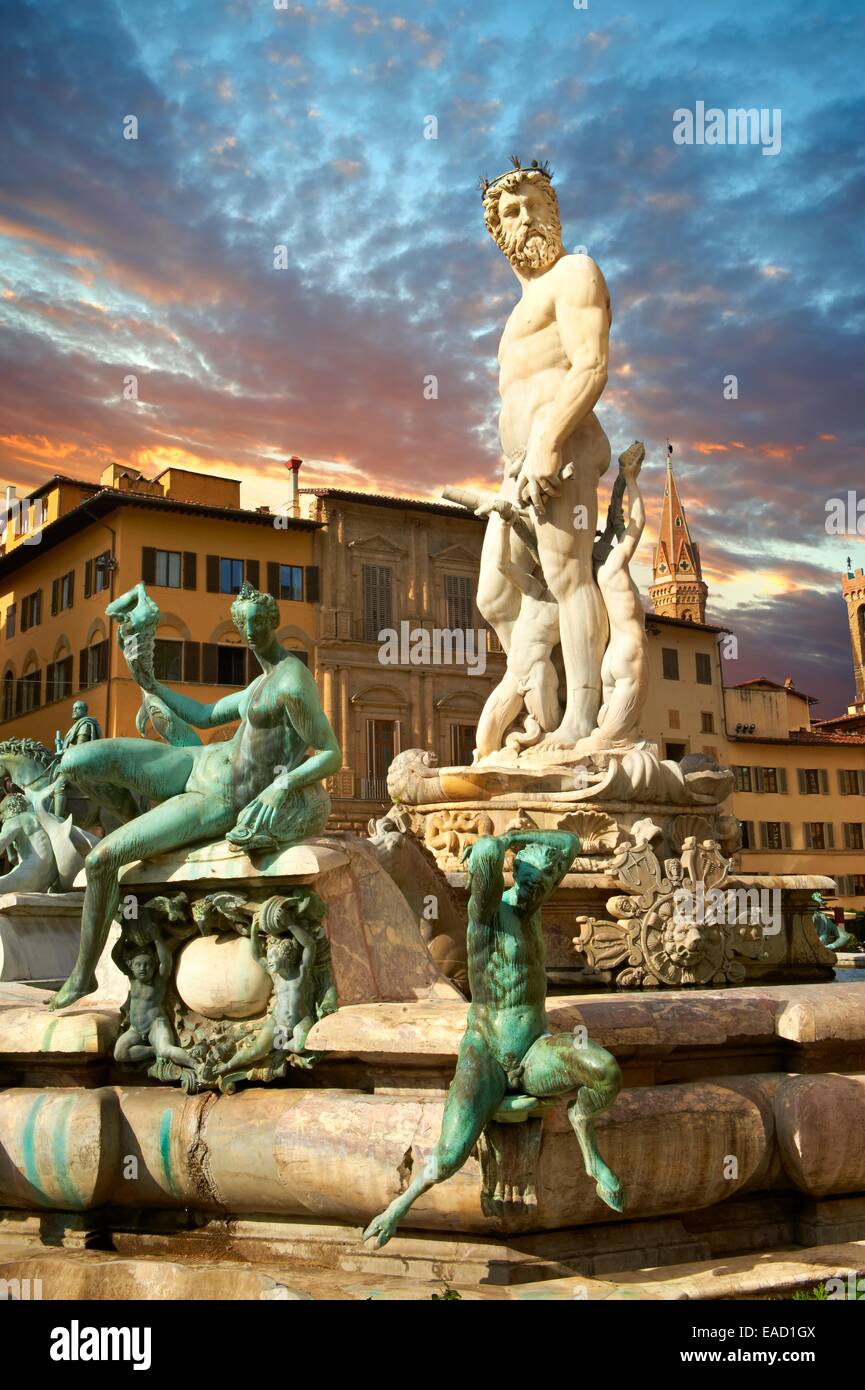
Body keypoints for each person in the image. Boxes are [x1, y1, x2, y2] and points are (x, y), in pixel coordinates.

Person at [48, 581, 341, 1011]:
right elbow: (204, 715)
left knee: (100, 860)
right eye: (246, 624)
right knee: (75, 761)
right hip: (197, 761)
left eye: (260, 623)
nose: (252, 632)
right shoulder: (263, 681)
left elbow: (331, 753)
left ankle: (82, 976)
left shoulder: (293, 682)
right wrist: (152, 683)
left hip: (221, 798)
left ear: (275, 623)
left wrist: (281, 785)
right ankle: (133, 823)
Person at [363, 828, 623, 1249]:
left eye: (540, 887)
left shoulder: (533, 909)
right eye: (525, 882)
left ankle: (584, 1131)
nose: (530, 893)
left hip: (536, 1048)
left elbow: (571, 843)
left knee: (605, 1071)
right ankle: (397, 1209)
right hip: (485, 1049)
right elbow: (483, 852)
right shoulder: (486, 915)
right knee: (450, 1155)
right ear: (514, 873)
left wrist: (522, 836)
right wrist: (502, 844)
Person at [475, 159, 612, 747]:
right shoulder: (514, 313)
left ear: (554, 214)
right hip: (517, 466)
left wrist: (550, 439)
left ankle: (581, 720)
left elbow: (591, 365)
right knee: (496, 594)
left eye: (535, 205)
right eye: (511, 210)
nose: (525, 217)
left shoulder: (576, 272)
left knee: (569, 576)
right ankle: (542, 708)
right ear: (497, 231)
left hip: (562, 448)